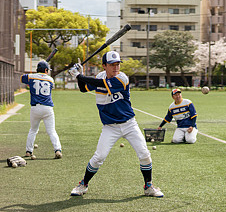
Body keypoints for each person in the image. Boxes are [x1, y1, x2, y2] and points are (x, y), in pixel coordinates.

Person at [68, 51, 163, 197]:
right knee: (99, 157)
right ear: (104, 66)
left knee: (144, 154)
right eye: (112, 65)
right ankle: (83, 185)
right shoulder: (99, 76)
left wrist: (79, 76)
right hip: (110, 127)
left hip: (129, 124)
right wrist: (79, 75)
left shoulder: (122, 78)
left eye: (117, 64)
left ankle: (148, 186)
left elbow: (101, 84)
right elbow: (83, 88)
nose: (116, 67)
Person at [21, 60, 62, 159]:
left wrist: (33, 74)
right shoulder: (50, 79)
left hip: (35, 108)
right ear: (46, 70)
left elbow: (22, 78)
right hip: (47, 108)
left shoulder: (31, 77)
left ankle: (29, 151)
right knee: (51, 131)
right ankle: (57, 150)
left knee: (33, 130)